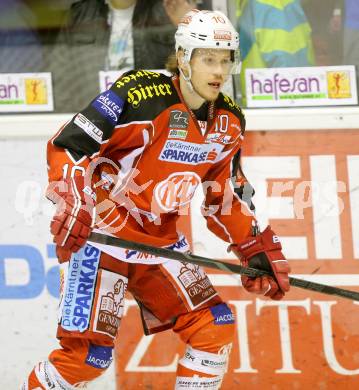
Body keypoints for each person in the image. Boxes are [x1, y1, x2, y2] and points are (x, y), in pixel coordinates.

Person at [21, 9, 290, 389]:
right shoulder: (142, 94)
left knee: (215, 327)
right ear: (184, 58)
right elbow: (69, 146)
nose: (218, 70)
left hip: (159, 246)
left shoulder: (229, 121)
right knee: (86, 358)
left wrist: (252, 243)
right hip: (101, 240)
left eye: (225, 59)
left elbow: (223, 192)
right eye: (207, 58)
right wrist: (74, 201)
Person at [48, 0, 198, 112]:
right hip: (95, 120)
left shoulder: (168, 9)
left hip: (150, 122)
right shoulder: (80, 15)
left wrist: (187, 26)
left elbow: (196, 77)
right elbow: (61, 83)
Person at [235, 0, 315, 101]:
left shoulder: (271, 6)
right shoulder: (256, 5)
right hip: (265, 105)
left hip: (273, 107)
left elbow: (287, 76)